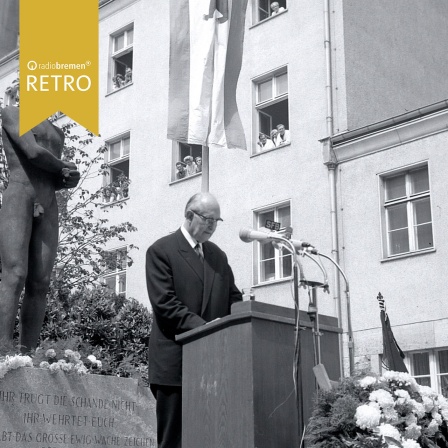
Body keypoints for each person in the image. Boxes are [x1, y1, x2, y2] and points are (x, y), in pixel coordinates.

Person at [146, 192, 242, 448]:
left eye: (217, 221)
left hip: (214, 364)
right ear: (189, 215)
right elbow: (166, 305)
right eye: (207, 219)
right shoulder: (161, 250)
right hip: (175, 365)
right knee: (175, 441)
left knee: (211, 437)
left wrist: (248, 317)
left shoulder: (217, 256)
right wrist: (207, 329)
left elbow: (234, 300)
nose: (212, 226)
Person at [0, 105, 80, 353]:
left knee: (41, 282)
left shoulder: (57, 132)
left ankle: (28, 355)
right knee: (15, 273)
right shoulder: (12, 113)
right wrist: (65, 165)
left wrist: (68, 178)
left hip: (48, 203)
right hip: (19, 196)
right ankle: (2, 350)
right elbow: (33, 153)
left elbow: (55, 175)